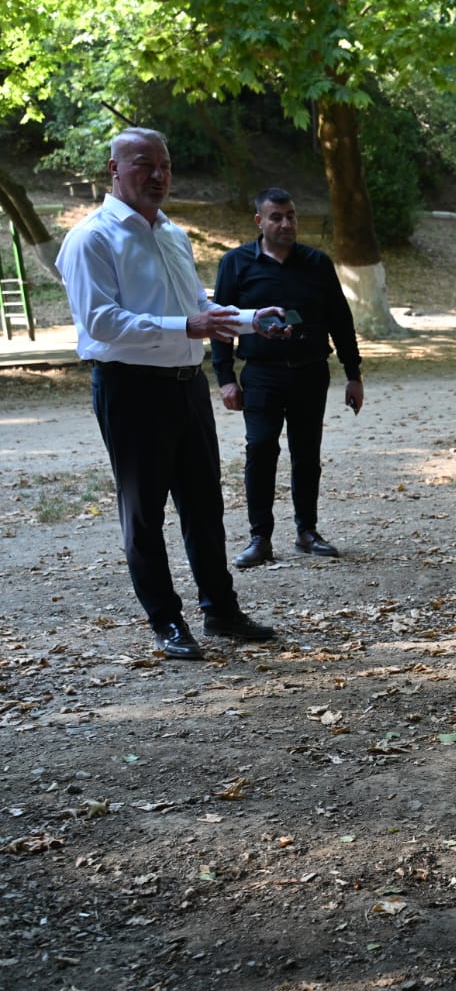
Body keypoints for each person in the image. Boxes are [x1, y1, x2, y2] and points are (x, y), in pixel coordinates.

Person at [54, 127, 279, 660]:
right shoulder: (92, 238)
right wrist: (187, 327)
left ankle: (220, 610)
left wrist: (251, 320)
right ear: (113, 170)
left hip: (186, 387)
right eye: (143, 164)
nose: (158, 175)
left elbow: (195, 306)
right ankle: (167, 621)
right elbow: (101, 322)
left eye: (165, 165)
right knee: (144, 513)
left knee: (204, 506)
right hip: (130, 390)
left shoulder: (172, 234)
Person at [213, 187, 363, 567]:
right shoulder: (236, 264)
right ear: (259, 221)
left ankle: (306, 532)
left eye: (291, 216)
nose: (285, 223)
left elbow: (340, 321)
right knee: (261, 450)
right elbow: (223, 323)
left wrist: (353, 374)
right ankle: (259, 537)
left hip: (311, 374)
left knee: (307, 454)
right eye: (276, 217)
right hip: (261, 375)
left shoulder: (316, 263)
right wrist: (226, 378)